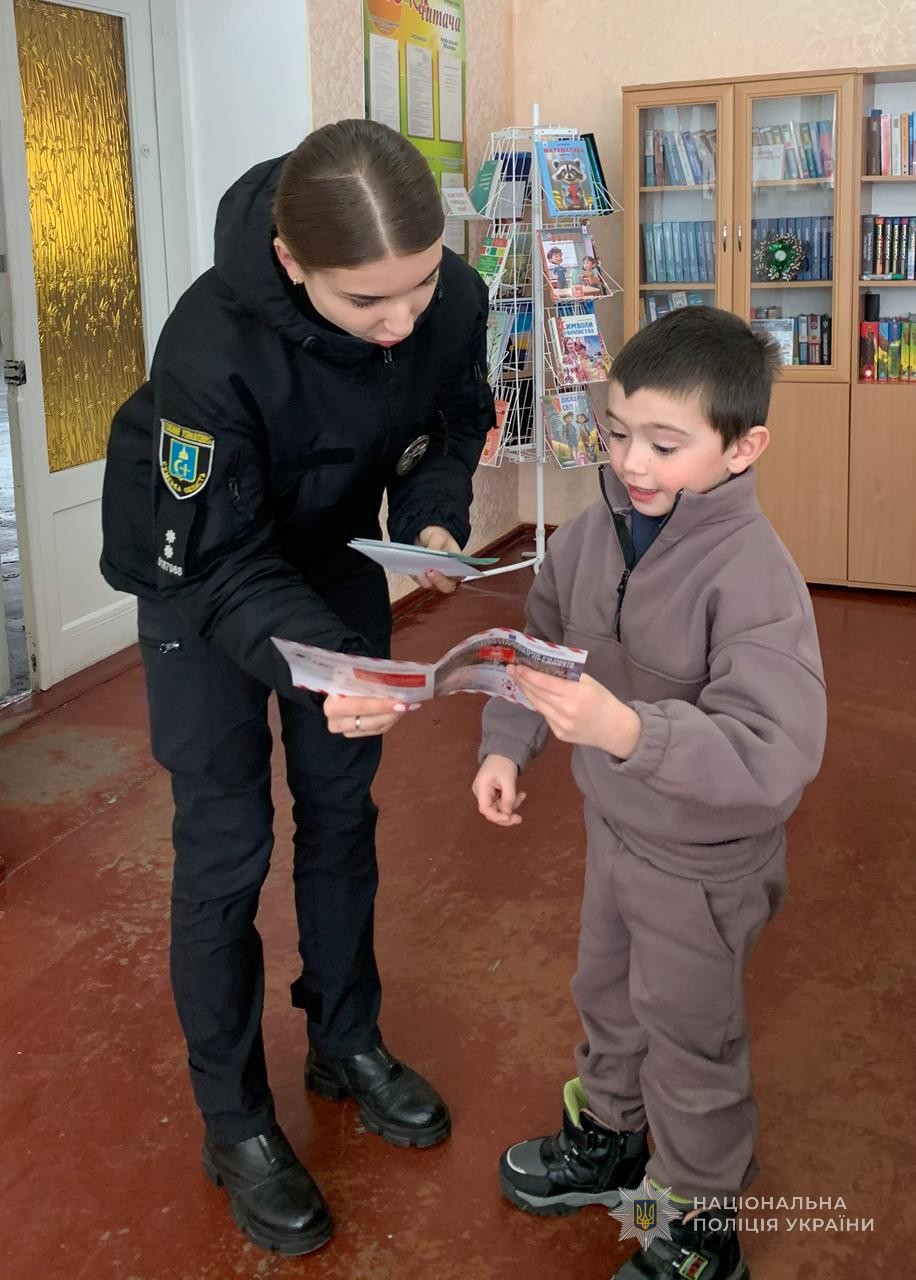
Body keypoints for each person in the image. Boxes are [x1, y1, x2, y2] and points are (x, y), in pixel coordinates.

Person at [101, 118, 494, 1257]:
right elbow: (222, 562)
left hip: (330, 553)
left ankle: (345, 1036)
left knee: (339, 809)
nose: (403, 320)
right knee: (225, 845)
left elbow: (454, 416)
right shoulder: (209, 342)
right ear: (291, 261)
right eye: (368, 300)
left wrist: (434, 518)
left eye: (421, 283)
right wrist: (323, 669)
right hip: (200, 576)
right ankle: (234, 1121)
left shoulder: (449, 297)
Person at [471, 307, 827, 1280]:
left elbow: (775, 748)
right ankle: (611, 1137)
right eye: (619, 430)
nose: (633, 460)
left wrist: (630, 730)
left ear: (742, 448)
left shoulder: (754, 577)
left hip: (707, 863)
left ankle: (701, 1223)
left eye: (666, 444)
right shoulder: (590, 535)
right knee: (607, 996)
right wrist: (507, 744)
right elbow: (539, 646)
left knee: (691, 1041)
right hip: (616, 830)